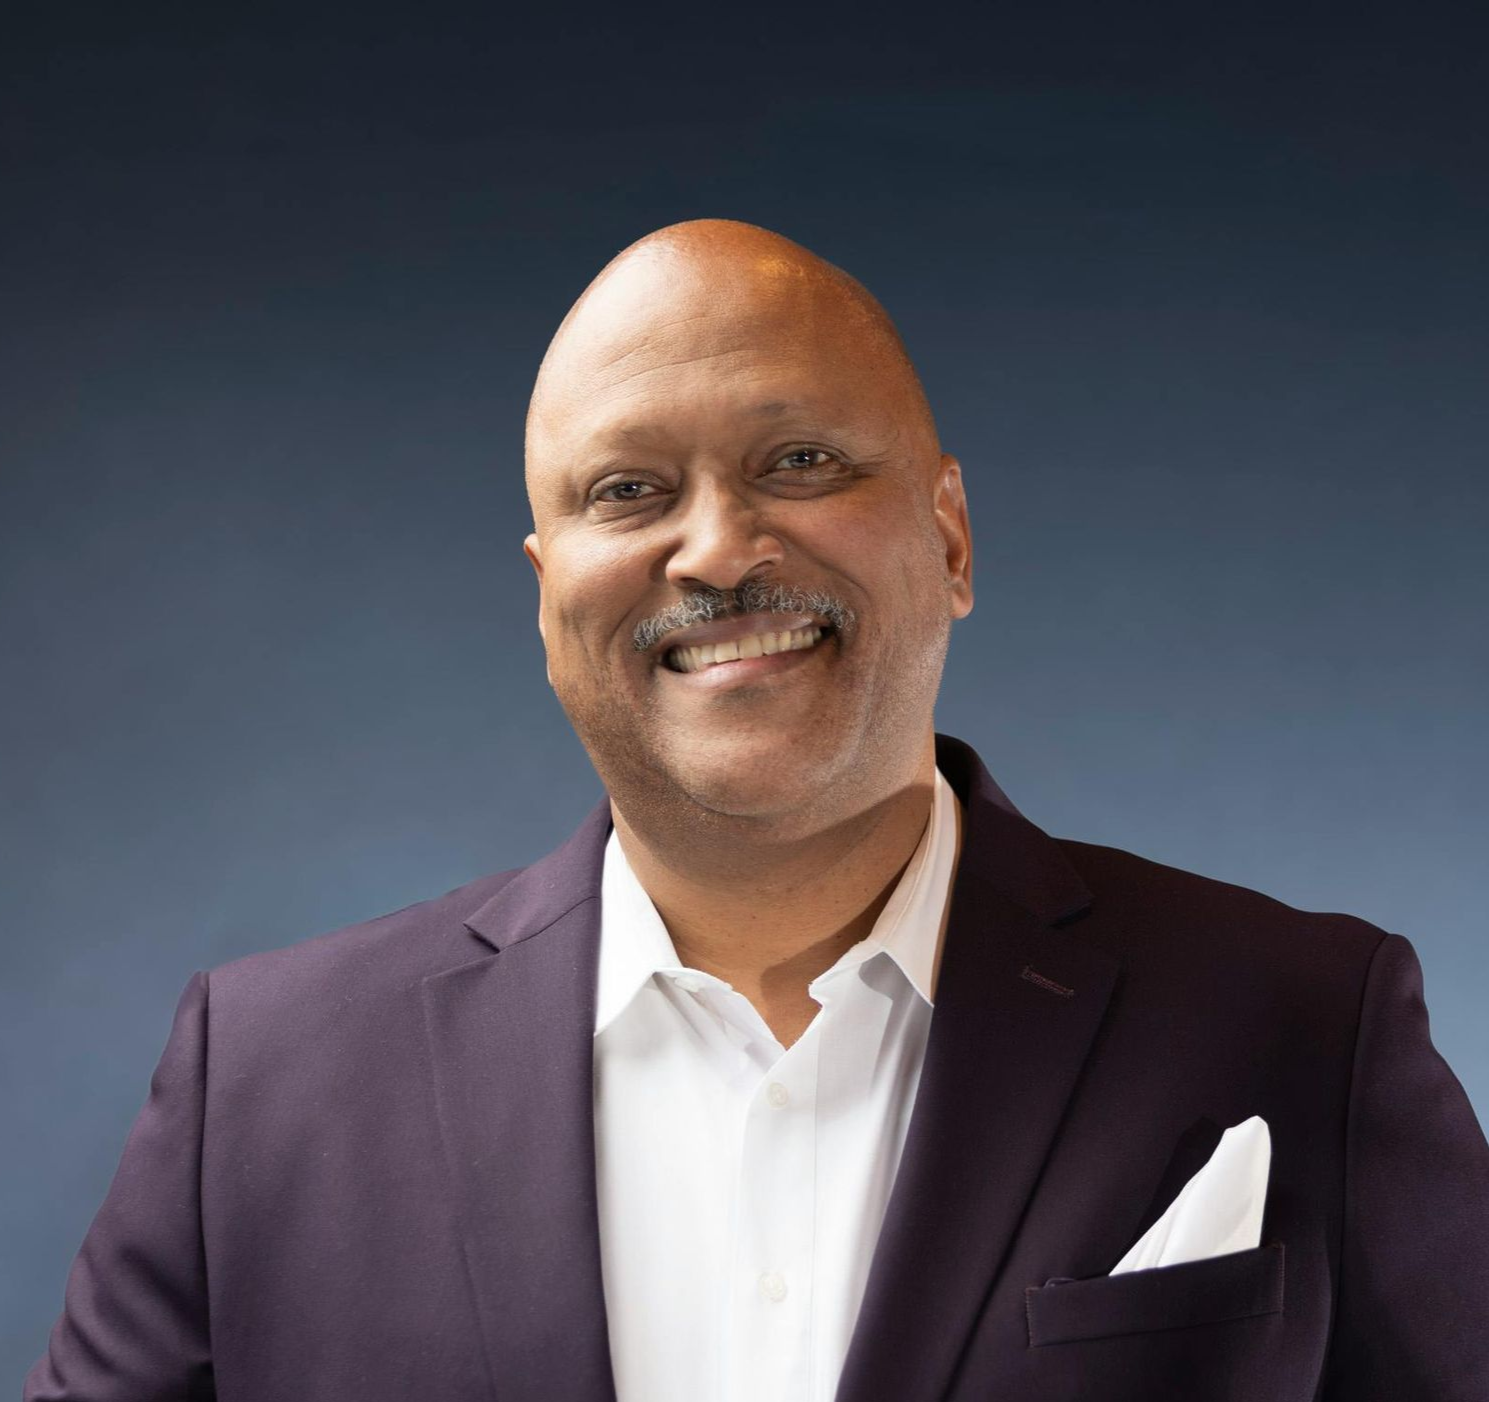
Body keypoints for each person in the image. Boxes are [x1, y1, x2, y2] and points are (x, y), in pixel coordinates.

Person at [26, 220, 1489, 1402]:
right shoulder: (263, 1087)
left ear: (950, 533)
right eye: (628, 488)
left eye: (800, 462)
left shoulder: (1307, 1025)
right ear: (544, 598)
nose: (718, 549)